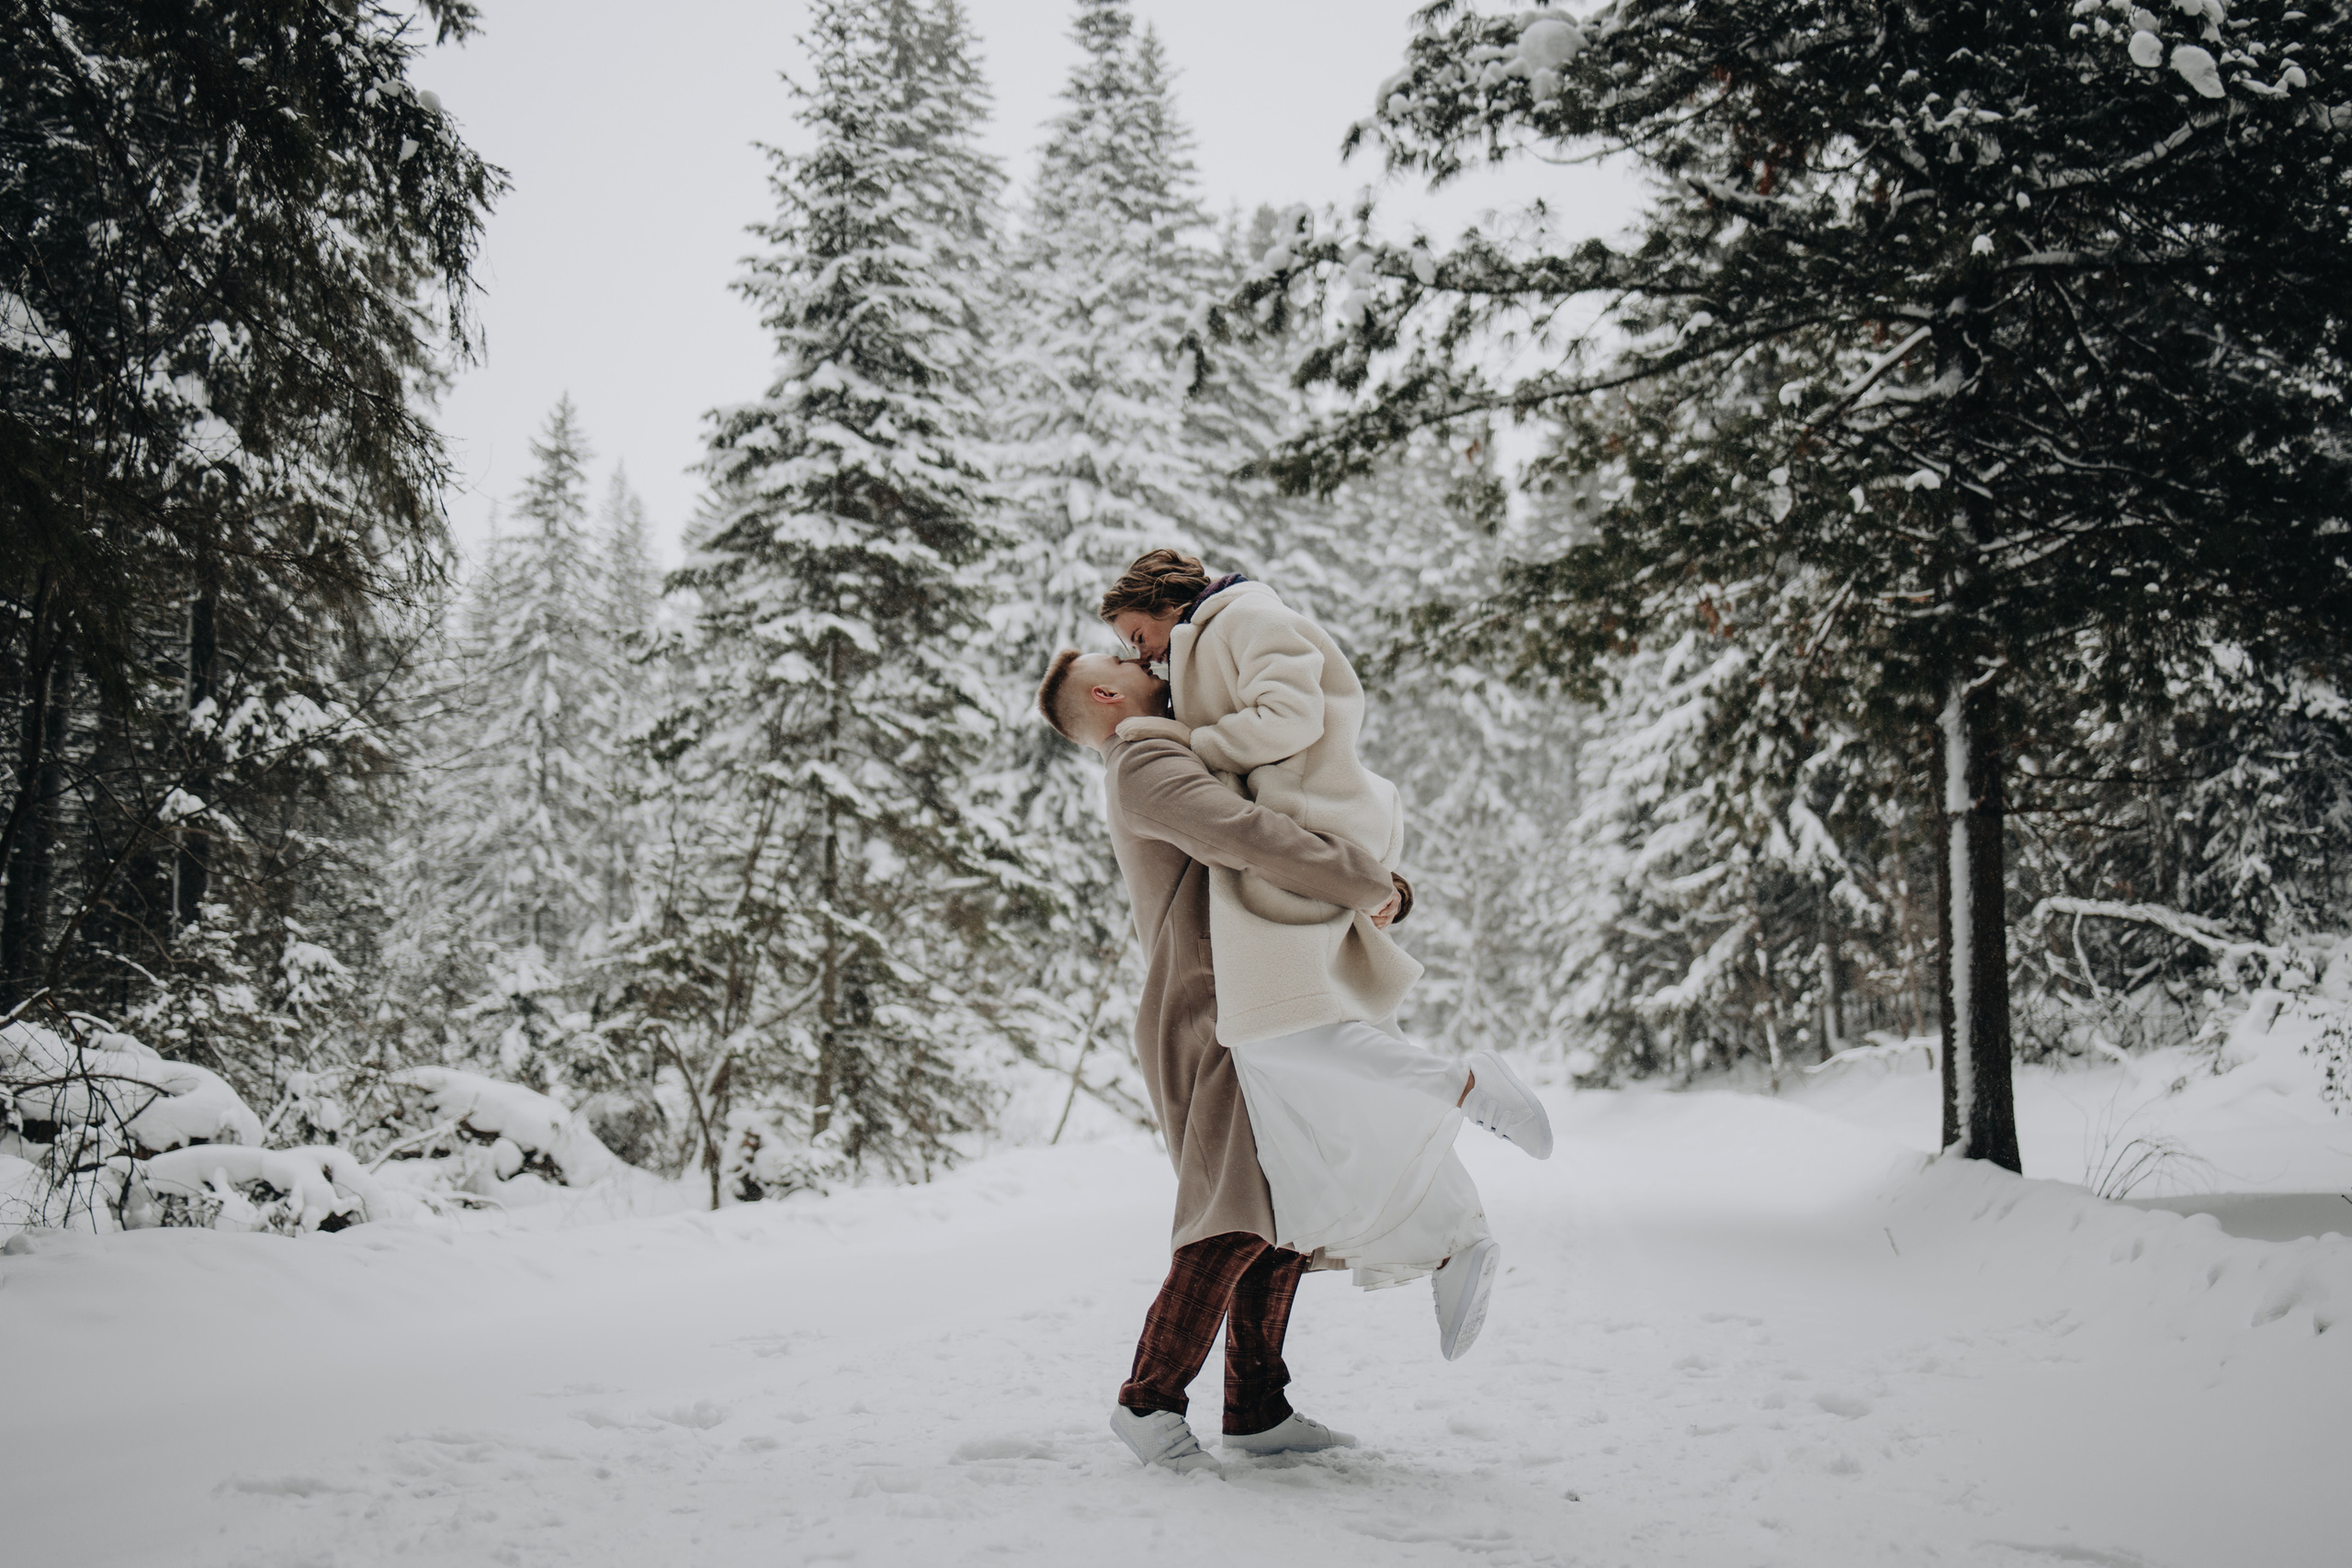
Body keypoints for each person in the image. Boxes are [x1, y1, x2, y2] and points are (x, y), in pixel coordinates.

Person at [1096, 551, 1552, 1292]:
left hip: (1308, 828)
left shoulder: (1249, 617)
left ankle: (1463, 1096)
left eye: (1137, 634)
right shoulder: (1208, 641)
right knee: (1311, 1062)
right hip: (1290, 842)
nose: (1137, 653)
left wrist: (1195, 746)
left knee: (1288, 1042)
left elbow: (1292, 717)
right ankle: (1451, 1235)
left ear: (1164, 601)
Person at [1037, 649, 1392, 1474]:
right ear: (1104, 693)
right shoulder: (1146, 757)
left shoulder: (1173, 746)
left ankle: (1257, 1408)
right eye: (1120, 656)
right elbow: (1242, 835)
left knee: (1285, 1202)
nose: (1140, 656)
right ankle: (1148, 1399)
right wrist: (1362, 879)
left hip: (1246, 996)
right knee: (1234, 1208)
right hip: (1211, 1007)